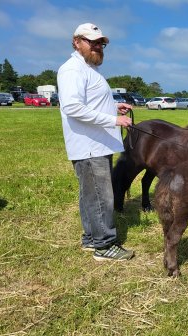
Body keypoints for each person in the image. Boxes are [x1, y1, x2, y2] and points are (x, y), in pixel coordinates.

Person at [57, 23, 134, 261]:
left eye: (101, 43)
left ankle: (92, 239)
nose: (98, 46)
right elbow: (72, 107)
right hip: (89, 145)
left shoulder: (89, 69)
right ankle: (104, 245)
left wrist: (113, 106)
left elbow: (90, 103)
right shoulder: (72, 70)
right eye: (93, 42)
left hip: (97, 143)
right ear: (76, 41)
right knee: (102, 195)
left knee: (91, 195)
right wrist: (114, 119)